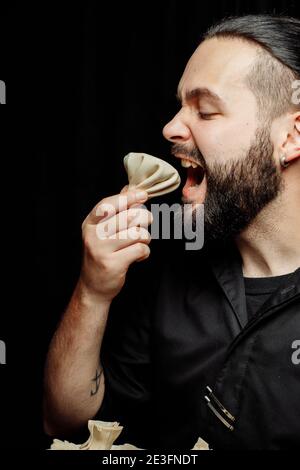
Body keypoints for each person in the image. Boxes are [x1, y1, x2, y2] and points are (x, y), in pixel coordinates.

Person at [43, 15, 300, 450]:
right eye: (180, 105)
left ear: (291, 136)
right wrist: (93, 290)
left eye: (205, 110)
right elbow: (68, 425)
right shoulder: (174, 261)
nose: (171, 128)